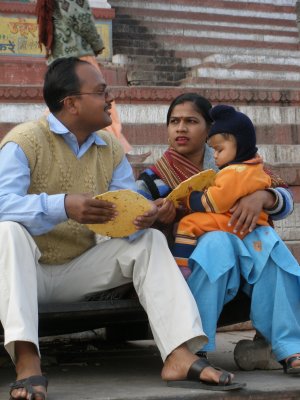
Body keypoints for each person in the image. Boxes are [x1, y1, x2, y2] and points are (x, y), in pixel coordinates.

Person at [0, 59, 246, 400]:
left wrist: (146, 214)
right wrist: (63, 205)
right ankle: (27, 361)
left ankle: (178, 353)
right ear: (71, 103)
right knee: (8, 231)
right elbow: (2, 204)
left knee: (147, 241)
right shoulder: (24, 142)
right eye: (101, 92)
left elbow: (123, 208)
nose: (109, 99)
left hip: (77, 271)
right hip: (25, 272)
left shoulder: (109, 148)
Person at [136, 93, 300, 374]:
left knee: (270, 246)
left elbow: (284, 198)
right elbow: (132, 214)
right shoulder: (155, 176)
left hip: (246, 255)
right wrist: (157, 216)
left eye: (191, 121)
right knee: (217, 242)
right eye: (174, 121)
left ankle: (289, 348)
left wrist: (264, 197)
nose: (181, 129)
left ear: (210, 129)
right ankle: (194, 346)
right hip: (190, 266)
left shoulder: (234, 162)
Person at [172, 104, 272, 278]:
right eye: (174, 121)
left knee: (188, 223)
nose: (215, 155)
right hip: (252, 224)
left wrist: (190, 199)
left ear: (240, 146)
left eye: (219, 149)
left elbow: (215, 201)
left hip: (235, 222)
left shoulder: (234, 171)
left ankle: (182, 268)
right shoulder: (255, 166)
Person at [35, 0, 132, 154]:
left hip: (58, 59)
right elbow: (82, 19)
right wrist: (98, 44)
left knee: (63, 103)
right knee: (99, 100)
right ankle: (114, 149)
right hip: (79, 58)